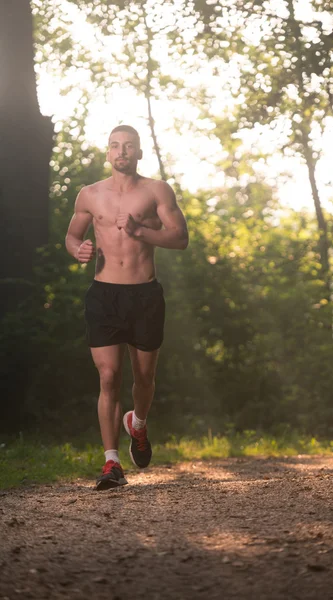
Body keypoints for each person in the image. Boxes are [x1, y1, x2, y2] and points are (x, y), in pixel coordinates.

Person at [65, 125, 188, 490]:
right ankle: (111, 463)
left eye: (129, 146)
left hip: (145, 297)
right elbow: (73, 235)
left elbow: (180, 238)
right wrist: (78, 250)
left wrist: (140, 232)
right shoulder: (89, 195)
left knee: (144, 378)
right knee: (108, 377)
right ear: (107, 152)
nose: (122, 152)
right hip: (104, 296)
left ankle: (138, 422)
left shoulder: (157, 191)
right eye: (116, 146)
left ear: (139, 153)